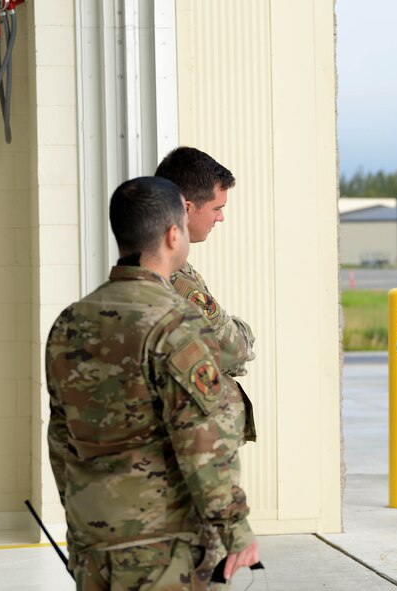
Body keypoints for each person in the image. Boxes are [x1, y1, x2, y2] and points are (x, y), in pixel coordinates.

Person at [46, 176, 259, 589]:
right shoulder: (175, 322)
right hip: (162, 548)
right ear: (172, 233)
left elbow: (60, 435)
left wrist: (81, 518)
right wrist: (236, 529)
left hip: (93, 541)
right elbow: (200, 439)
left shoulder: (71, 321)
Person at [155, 148, 256, 435]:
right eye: (216, 208)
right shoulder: (176, 280)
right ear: (187, 208)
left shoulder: (160, 266)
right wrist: (242, 332)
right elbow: (233, 347)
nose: (221, 218)